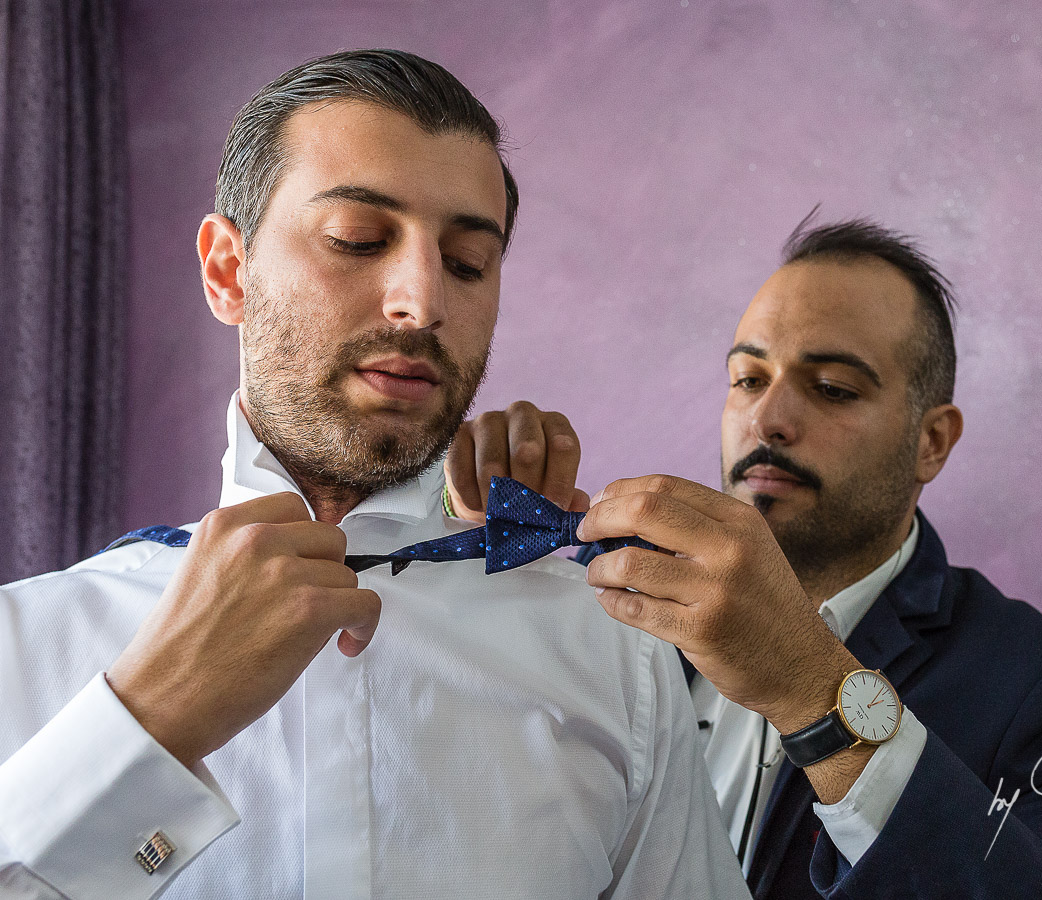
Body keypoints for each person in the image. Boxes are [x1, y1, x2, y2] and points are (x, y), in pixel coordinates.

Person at [0, 50, 749, 900]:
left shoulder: (610, 652)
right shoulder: (23, 647)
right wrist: (148, 724)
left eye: (468, 262)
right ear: (226, 270)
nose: (422, 300)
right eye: (358, 240)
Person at [444, 219, 1042, 898]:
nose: (768, 419)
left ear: (933, 440)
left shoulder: (1037, 682)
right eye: (748, 379)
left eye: (833, 388)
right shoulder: (606, 589)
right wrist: (462, 525)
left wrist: (813, 691)